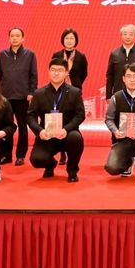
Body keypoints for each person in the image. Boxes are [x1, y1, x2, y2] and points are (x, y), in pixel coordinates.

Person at [26, 58, 86, 183]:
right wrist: (39, 131)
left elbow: (80, 115)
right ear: (48, 71)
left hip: (67, 134)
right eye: (53, 70)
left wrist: (66, 129)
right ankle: (50, 165)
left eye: (60, 70)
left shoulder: (75, 92)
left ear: (66, 73)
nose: (56, 73)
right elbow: (30, 116)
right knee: (36, 160)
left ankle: (72, 171)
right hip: (47, 135)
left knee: (76, 138)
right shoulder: (39, 93)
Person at [103, 63, 135, 185]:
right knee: (112, 168)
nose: (132, 80)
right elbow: (109, 119)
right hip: (122, 140)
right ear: (123, 78)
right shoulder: (116, 97)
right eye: (129, 76)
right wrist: (115, 131)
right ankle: (128, 162)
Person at [0, 27, 38, 166]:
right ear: (9, 38)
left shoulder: (30, 54)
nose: (14, 38)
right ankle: (6, 155)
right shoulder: (2, 54)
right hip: (5, 97)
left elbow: (33, 75)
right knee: (6, 127)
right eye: (12, 36)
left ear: (23, 38)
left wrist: (31, 92)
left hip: (22, 96)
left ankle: (21, 155)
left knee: (22, 126)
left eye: (17, 35)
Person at [51, 28, 88, 167]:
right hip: (58, 91)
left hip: (74, 92)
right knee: (59, 119)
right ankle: (62, 152)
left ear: (76, 40)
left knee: (73, 120)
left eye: (72, 38)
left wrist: (74, 85)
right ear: (63, 40)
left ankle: (71, 148)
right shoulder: (57, 55)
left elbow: (84, 74)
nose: (69, 41)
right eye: (67, 38)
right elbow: (53, 71)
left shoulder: (81, 56)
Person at [105, 24, 135, 98]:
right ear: (121, 36)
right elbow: (110, 76)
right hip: (118, 95)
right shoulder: (114, 54)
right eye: (125, 34)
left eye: (131, 34)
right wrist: (108, 96)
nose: (127, 37)